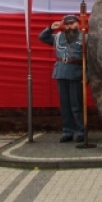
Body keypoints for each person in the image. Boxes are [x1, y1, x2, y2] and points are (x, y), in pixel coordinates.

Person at [39, 14, 86, 142]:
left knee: (76, 105)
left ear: (78, 24)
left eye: (72, 23)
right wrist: (51, 28)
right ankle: (68, 132)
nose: (70, 26)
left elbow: (90, 58)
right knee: (65, 106)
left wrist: (87, 75)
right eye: (67, 24)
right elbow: (42, 37)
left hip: (75, 73)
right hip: (61, 72)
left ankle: (81, 131)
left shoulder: (84, 38)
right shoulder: (58, 37)